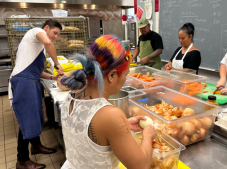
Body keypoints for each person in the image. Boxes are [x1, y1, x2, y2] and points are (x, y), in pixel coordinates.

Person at [60, 35, 157, 169]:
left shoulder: (70, 96)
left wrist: (124, 126)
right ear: (112, 76)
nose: (125, 79)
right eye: (126, 74)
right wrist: (147, 136)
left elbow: (83, 129)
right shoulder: (111, 115)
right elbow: (141, 166)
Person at [9, 19, 64, 169]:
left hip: (31, 81)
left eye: (58, 35)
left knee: (36, 117)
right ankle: (22, 160)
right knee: (27, 120)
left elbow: (38, 72)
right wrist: (58, 65)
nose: (55, 37)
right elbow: (48, 42)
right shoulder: (34, 32)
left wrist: (53, 77)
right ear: (46, 28)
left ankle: (36, 145)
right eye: (54, 33)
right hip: (23, 81)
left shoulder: (38, 47)